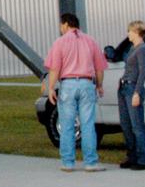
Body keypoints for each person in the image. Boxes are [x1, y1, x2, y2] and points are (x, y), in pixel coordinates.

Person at [44, 12, 107, 172]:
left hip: (68, 84)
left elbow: (55, 68)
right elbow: (99, 68)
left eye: (61, 25)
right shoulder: (91, 41)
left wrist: (51, 87)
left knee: (67, 124)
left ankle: (68, 162)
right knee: (87, 124)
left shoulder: (60, 42)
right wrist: (99, 85)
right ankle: (91, 162)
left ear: (65, 24)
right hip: (87, 83)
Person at [117, 21, 145, 170]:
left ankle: (144, 159)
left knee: (137, 125)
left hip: (132, 87)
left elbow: (142, 72)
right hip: (124, 86)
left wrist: (137, 92)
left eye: (130, 31)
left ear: (137, 32)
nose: (128, 34)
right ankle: (132, 156)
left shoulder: (142, 49)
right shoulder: (133, 48)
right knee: (126, 125)